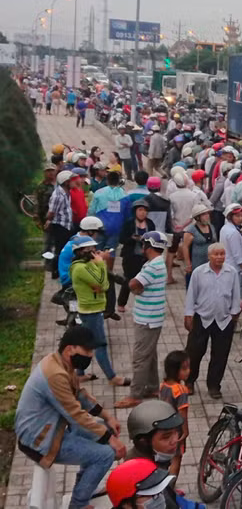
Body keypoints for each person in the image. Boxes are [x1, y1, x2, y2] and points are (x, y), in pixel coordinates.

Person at [15, 326, 125, 509]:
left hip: (50, 428)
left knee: (102, 432)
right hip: (39, 440)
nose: (91, 355)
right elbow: (75, 414)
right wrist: (111, 439)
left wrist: (107, 416)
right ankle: (78, 505)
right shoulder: (55, 374)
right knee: (105, 454)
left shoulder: (60, 363)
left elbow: (79, 395)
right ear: (69, 349)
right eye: (87, 350)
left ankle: (85, 487)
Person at [116, 231, 169, 409]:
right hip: (152, 317)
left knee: (140, 357)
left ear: (147, 245)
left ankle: (135, 394)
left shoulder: (153, 266)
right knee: (150, 354)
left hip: (147, 319)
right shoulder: (156, 262)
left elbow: (133, 284)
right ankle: (153, 387)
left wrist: (136, 287)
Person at [69, 235, 129, 386]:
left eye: (94, 248)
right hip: (91, 311)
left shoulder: (87, 264)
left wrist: (99, 273)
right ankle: (112, 378)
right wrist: (102, 264)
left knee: (84, 343)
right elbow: (102, 282)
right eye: (90, 249)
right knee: (100, 344)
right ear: (80, 251)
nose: (95, 251)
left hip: (93, 309)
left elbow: (104, 285)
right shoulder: (79, 268)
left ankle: (79, 374)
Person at [184, 243, 241, 399]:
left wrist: (234, 313)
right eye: (216, 254)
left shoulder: (232, 272)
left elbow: (236, 294)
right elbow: (191, 295)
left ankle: (214, 385)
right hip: (202, 317)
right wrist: (188, 314)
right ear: (209, 256)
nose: (219, 257)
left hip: (224, 319)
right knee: (194, 352)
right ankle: (189, 381)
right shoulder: (198, 272)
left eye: (222, 254)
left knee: (220, 354)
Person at [124, 399, 184, 508]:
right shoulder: (141, 477)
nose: (175, 440)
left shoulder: (155, 456)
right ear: (144, 441)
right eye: (166, 437)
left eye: (177, 432)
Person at [158, 351, 190, 479]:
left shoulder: (163, 386)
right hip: (176, 430)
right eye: (184, 368)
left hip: (163, 427)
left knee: (164, 459)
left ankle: (162, 485)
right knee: (177, 458)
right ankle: (170, 489)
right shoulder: (181, 390)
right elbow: (183, 414)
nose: (188, 371)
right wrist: (185, 432)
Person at [106, 458, 176, 509]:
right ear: (127, 505)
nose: (159, 498)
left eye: (159, 491)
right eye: (149, 494)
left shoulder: (169, 503)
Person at [181, 203, 218, 288]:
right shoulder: (191, 230)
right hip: (197, 263)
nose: (207, 216)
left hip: (210, 262)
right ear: (198, 217)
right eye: (204, 214)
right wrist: (188, 264)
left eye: (207, 214)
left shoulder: (211, 227)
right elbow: (185, 247)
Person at [46, 170, 75, 277]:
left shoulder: (67, 193)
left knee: (65, 249)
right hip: (60, 226)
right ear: (66, 182)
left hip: (66, 225)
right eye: (71, 180)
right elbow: (51, 212)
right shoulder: (58, 195)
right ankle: (56, 271)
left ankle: (62, 270)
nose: (73, 182)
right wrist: (48, 221)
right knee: (60, 249)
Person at [221, 203, 242, 277]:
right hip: (235, 270)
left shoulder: (224, 228)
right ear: (230, 217)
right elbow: (238, 256)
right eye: (237, 216)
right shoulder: (233, 232)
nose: (241, 218)